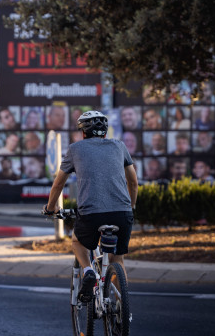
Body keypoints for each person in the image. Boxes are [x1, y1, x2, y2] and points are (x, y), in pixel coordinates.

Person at [44, 111, 138, 303]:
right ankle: (122, 307)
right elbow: (133, 182)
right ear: (105, 131)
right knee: (117, 260)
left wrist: (50, 208)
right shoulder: (120, 146)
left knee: (78, 242)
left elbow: (58, 184)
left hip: (91, 214)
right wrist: (131, 206)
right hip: (123, 212)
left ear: (83, 132)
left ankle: (88, 271)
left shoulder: (75, 149)